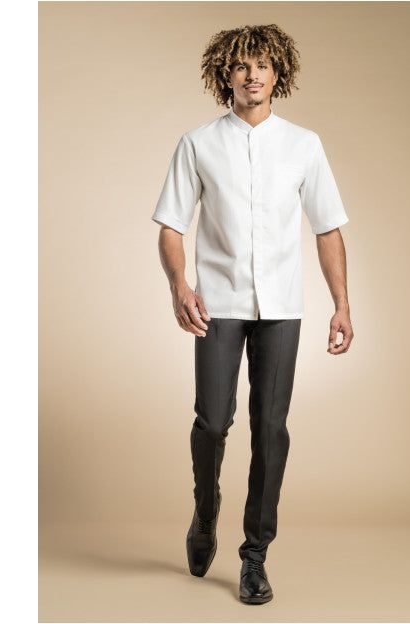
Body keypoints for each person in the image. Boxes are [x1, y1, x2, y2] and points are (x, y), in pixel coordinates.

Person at [152, 24, 353, 605]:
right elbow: (171, 226)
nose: (253, 74)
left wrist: (342, 304)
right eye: (242, 65)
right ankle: (205, 511)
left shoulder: (304, 145)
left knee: (270, 429)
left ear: (277, 72)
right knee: (213, 421)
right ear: (227, 75)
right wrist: (179, 285)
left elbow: (327, 228)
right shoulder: (197, 143)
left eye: (262, 64)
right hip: (217, 303)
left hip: (281, 307)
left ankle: (254, 556)